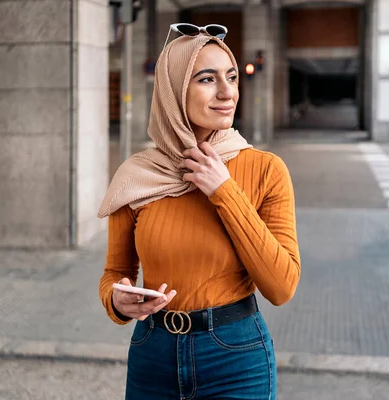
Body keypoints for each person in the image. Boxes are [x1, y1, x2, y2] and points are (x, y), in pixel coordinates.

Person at [97, 23, 301, 400]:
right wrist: (117, 300)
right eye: (207, 79)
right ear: (174, 90)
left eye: (232, 77)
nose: (227, 93)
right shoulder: (139, 176)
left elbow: (282, 286)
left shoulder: (266, 170)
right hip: (152, 356)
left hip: (236, 358)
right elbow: (116, 273)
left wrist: (223, 190)